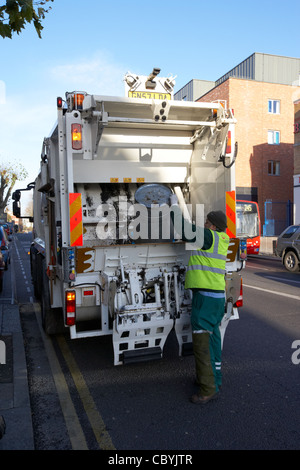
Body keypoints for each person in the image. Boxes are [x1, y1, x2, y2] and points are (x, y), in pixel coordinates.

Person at [170, 195, 230, 405]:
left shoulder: (209, 236)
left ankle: (207, 389)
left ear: (212, 225)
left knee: (202, 344)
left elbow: (184, 229)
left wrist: (172, 206)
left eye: (206, 222)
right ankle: (215, 380)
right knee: (213, 341)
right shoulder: (222, 239)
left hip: (205, 299)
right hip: (216, 298)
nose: (204, 224)